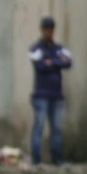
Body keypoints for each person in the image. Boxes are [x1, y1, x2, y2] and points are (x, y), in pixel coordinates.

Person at [28, 15, 73, 165]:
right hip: (41, 95)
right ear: (42, 30)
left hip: (56, 94)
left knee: (57, 128)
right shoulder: (36, 48)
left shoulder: (60, 47)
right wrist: (57, 62)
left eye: (51, 28)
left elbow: (68, 62)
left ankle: (57, 159)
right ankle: (36, 160)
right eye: (46, 28)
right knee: (39, 127)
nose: (49, 31)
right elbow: (39, 65)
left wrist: (50, 62)